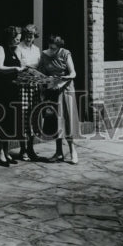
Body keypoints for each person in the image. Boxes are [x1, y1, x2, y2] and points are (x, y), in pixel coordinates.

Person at [39, 34, 80, 164]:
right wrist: (46, 81)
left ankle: (73, 151)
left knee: (67, 119)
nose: (52, 50)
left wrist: (63, 79)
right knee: (56, 120)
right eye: (50, 47)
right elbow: (43, 72)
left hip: (66, 89)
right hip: (52, 90)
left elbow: (73, 73)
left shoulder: (65, 53)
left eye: (55, 48)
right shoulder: (44, 55)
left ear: (59, 47)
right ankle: (58, 152)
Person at [0, 25, 23, 167]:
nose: (17, 41)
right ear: (9, 37)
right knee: (1, 119)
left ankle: (6, 150)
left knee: (9, 121)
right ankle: (0, 152)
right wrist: (15, 68)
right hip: (2, 90)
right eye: (15, 38)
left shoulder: (14, 50)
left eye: (19, 39)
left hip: (13, 89)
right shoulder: (0, 48)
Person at [15, 23, 42, 161]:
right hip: (23, 86)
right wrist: (28, 69)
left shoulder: (37, 50)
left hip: (35, 86)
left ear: (34, 36)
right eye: (26, 35)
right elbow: (19, 66)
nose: (28, 38)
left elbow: (39, 66)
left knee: (33, 116)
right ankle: (23, 149)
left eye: (31, 36)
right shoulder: (19, 48)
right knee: (23, 116)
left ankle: (31, 148)